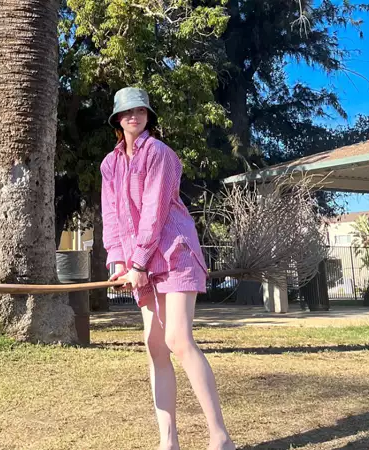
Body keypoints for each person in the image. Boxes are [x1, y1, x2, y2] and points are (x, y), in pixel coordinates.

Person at [100, 87, 235, 450]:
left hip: (174, 253)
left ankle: (220, 437)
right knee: (155, 346)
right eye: (127, 112)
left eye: (141, 111)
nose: (134, 116)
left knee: (178, 339)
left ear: (148, 116)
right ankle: (168, 442)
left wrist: (138, 261)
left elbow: (154, 209)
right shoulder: (110, 164)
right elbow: (112, 215)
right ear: (117, 120)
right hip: (140, 263)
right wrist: (118, 260)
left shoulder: (159, 153)